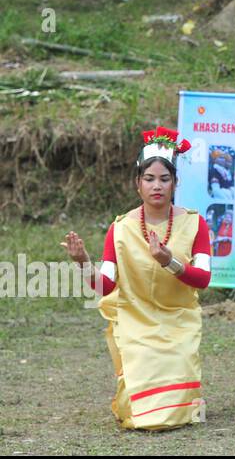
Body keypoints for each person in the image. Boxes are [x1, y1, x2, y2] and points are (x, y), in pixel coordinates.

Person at [62, 127, 210, 429]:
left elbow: (203, 278)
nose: (157, 186)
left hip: (178, 320)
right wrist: (83, 263)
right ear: (137, 184)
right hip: (136, 322)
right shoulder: (120, 228)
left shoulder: (195, 223)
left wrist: (170, 262)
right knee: (137, 416)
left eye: (164, 179)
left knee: (179, 414)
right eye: (149, 179)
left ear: (175, 184)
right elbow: (106, 285)